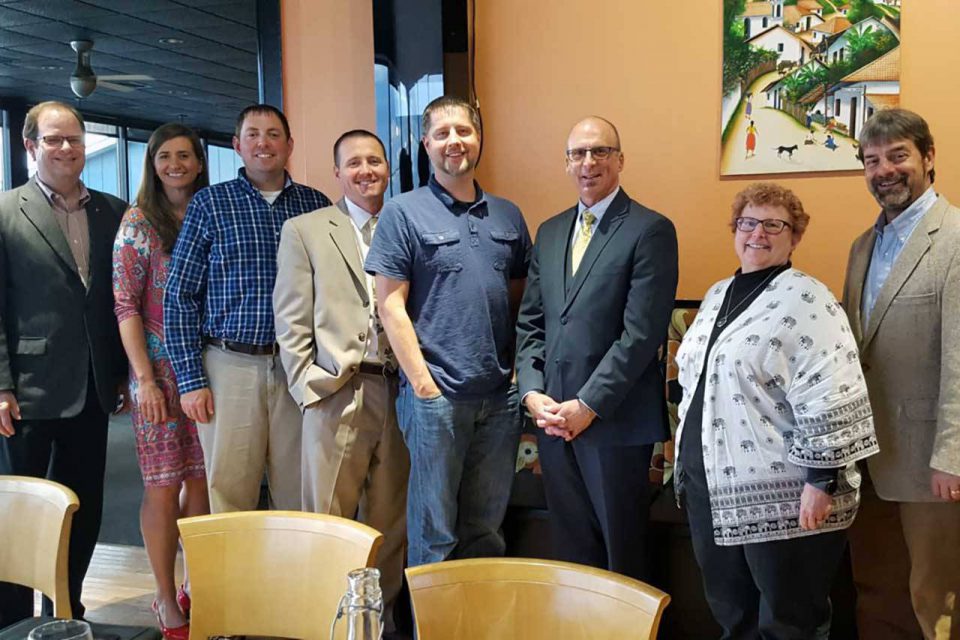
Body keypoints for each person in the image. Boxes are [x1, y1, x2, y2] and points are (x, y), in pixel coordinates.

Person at [675, 182, 878, 638]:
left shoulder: (809, 300)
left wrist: (821, 480)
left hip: (785, 490)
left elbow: (834, 388)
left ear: (795, 235)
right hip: (712, 484)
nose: (758, 234)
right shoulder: (716, 295)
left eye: (773, 224)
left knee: (790, 620)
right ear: (736, 228)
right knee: (733, 613)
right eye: (748, 222)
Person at [364, 96, 531, 567]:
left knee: (485, 532)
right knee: (434, 533)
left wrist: (516, 376)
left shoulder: (508, 215)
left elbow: (521, 301)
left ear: (479, 138)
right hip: (436, 399)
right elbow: (390, 304)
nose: (454, 142)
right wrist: (424, 386)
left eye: (464, 131)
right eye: (442, 134)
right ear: (426, 144)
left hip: (500, 400)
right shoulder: (403, 213)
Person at [515, 116, 678, 580]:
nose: (589, 163)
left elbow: (641, 335)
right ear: (566, 164)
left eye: (600, 151)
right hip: (553, 422)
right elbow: (531, 322)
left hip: (614, 423)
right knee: (572, 551)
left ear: (620, 160)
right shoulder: (548, 232)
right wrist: (532, 394)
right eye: (578, 154)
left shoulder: (650, 230)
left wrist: (588, 405)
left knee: (621, 553)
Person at [164, 104, 331, 514]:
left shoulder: (318, 206)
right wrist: (190, 380)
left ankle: (294, 580)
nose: (264, 143)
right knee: (230, 491)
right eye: (253, 134)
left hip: (300, 367)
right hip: (229, 366)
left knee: (300, 489)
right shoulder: (210, 204)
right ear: (237, 145)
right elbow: (179, 296)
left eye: (273, 134)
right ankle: (234, 581)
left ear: (289, 145)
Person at [273, 130, 409, 631]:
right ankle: (328, 624)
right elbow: (290, 319)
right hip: (335, 391)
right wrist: (308, 385)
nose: (366, 171)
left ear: (387, 169)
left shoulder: (405, 222)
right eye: (354, 163)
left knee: (391, 520)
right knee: (329, 520)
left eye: (374, 161)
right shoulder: (306, 229)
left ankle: (383, 623)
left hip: (398, 391)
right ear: (337, 172)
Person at [0, 101, 128, 625]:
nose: (67, 148)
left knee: (84, 507)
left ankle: (67, 609)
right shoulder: (7, 211)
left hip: (93, 387)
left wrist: (118, 371)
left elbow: (118, 300)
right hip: (26, 391)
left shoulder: (113, 210)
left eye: (74, 138)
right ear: (31, 146)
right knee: (17, 513)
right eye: (54, 139)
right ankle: (9, 620)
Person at [842, 108, 960, 639]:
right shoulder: (861, 247)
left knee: (934, 599)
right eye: (872, 160)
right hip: (866, 458)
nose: (884, 170)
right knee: (876, 591)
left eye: (897, 156)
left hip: (929, 466)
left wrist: (952, 457)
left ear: (928, 158)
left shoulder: (955, 238)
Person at [112, 124, 210, 640]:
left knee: (203, 481)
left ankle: (199, 583)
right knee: (163, 485)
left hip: (208, 368)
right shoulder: (137, 223)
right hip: (157, 373)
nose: (175, 164)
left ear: (199, 163)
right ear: (152, 164)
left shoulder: (210, 210)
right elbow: (125, 304)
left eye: (185, 156)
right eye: (165, 156)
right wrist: (144, 380)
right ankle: (166, 597)